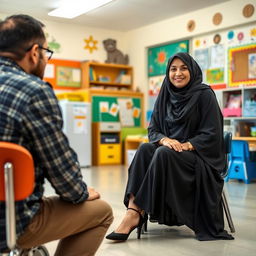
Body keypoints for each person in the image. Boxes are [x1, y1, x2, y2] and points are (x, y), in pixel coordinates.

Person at [0, 14, 113, 255]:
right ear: (34, 52)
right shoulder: (34, 91)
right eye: (46, 54)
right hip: (9, 223)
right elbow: (62, 175)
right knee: (102, 211)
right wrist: (82, 192)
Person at [106, 52, 234, 241]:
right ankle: (133, 210)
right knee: (144, 150)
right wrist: (165, 140)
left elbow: (212, 134)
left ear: (192, 70)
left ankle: (135, 214)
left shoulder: (204, 95)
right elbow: (153, 130)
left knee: (163, 154)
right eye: (173, 69)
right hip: (171, 153)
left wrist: (186, 145)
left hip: (201, 160)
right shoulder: (165, 93)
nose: (178, 73)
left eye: (183, 68)